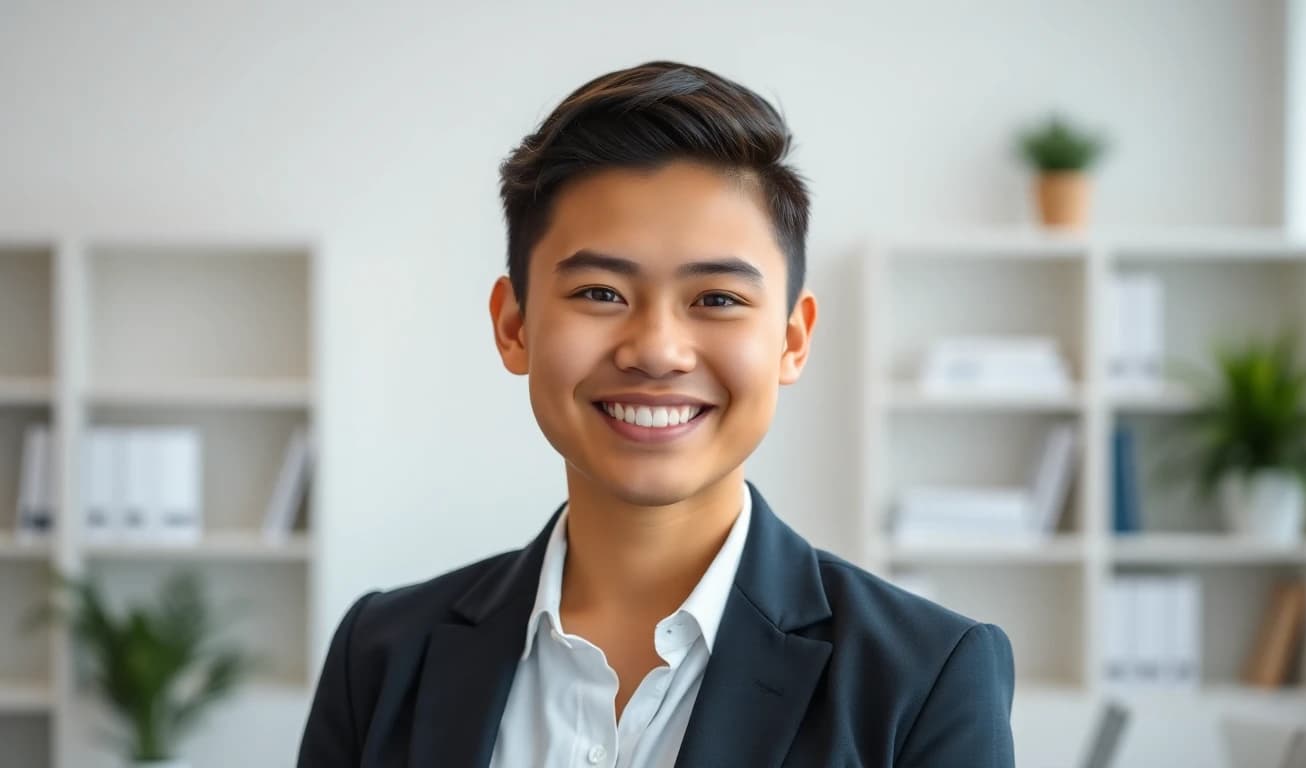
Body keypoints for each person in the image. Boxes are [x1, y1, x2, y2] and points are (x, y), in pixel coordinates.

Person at [298, 60, 1015, 768]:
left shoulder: (927, 677)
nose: (658, 352)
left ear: (791, 342)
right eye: (601, 293)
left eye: (718, 299)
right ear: (514, 326)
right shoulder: (382, 655)